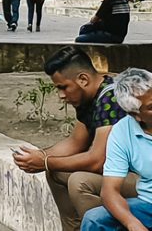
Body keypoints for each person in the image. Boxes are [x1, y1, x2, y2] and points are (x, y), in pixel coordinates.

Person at [11, 47, 137, 230]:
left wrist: (45, 161)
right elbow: (75, 143)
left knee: (80, 182)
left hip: (142, 175)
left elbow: (97, 161)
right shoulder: (90, 97)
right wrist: (37, 156)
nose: (61, 96)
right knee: (56, 172)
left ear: (83, 79)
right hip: (120, 172)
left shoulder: (111, 99)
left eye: (63, 87)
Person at [80, 68, 152, 231]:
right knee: (95, 220)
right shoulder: (122, 131)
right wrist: (132, 223)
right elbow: (109, 191)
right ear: (136, 115)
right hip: (148, 204)